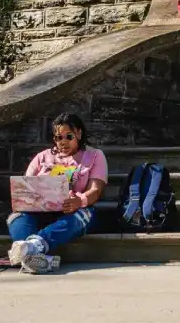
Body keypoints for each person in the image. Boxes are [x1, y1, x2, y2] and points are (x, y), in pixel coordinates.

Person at [7, 113, 108, 274]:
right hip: (40, 211)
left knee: (80, 217)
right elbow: (26, 187)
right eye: (58, 137)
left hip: (73, 211)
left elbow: (96, 190)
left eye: (68, 136)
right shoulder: (42, 157)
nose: (63, 142)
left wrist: (79, 201)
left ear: (79, 134)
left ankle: (33, 247)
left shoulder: (94, 156)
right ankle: (34, 256)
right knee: (17, 217)